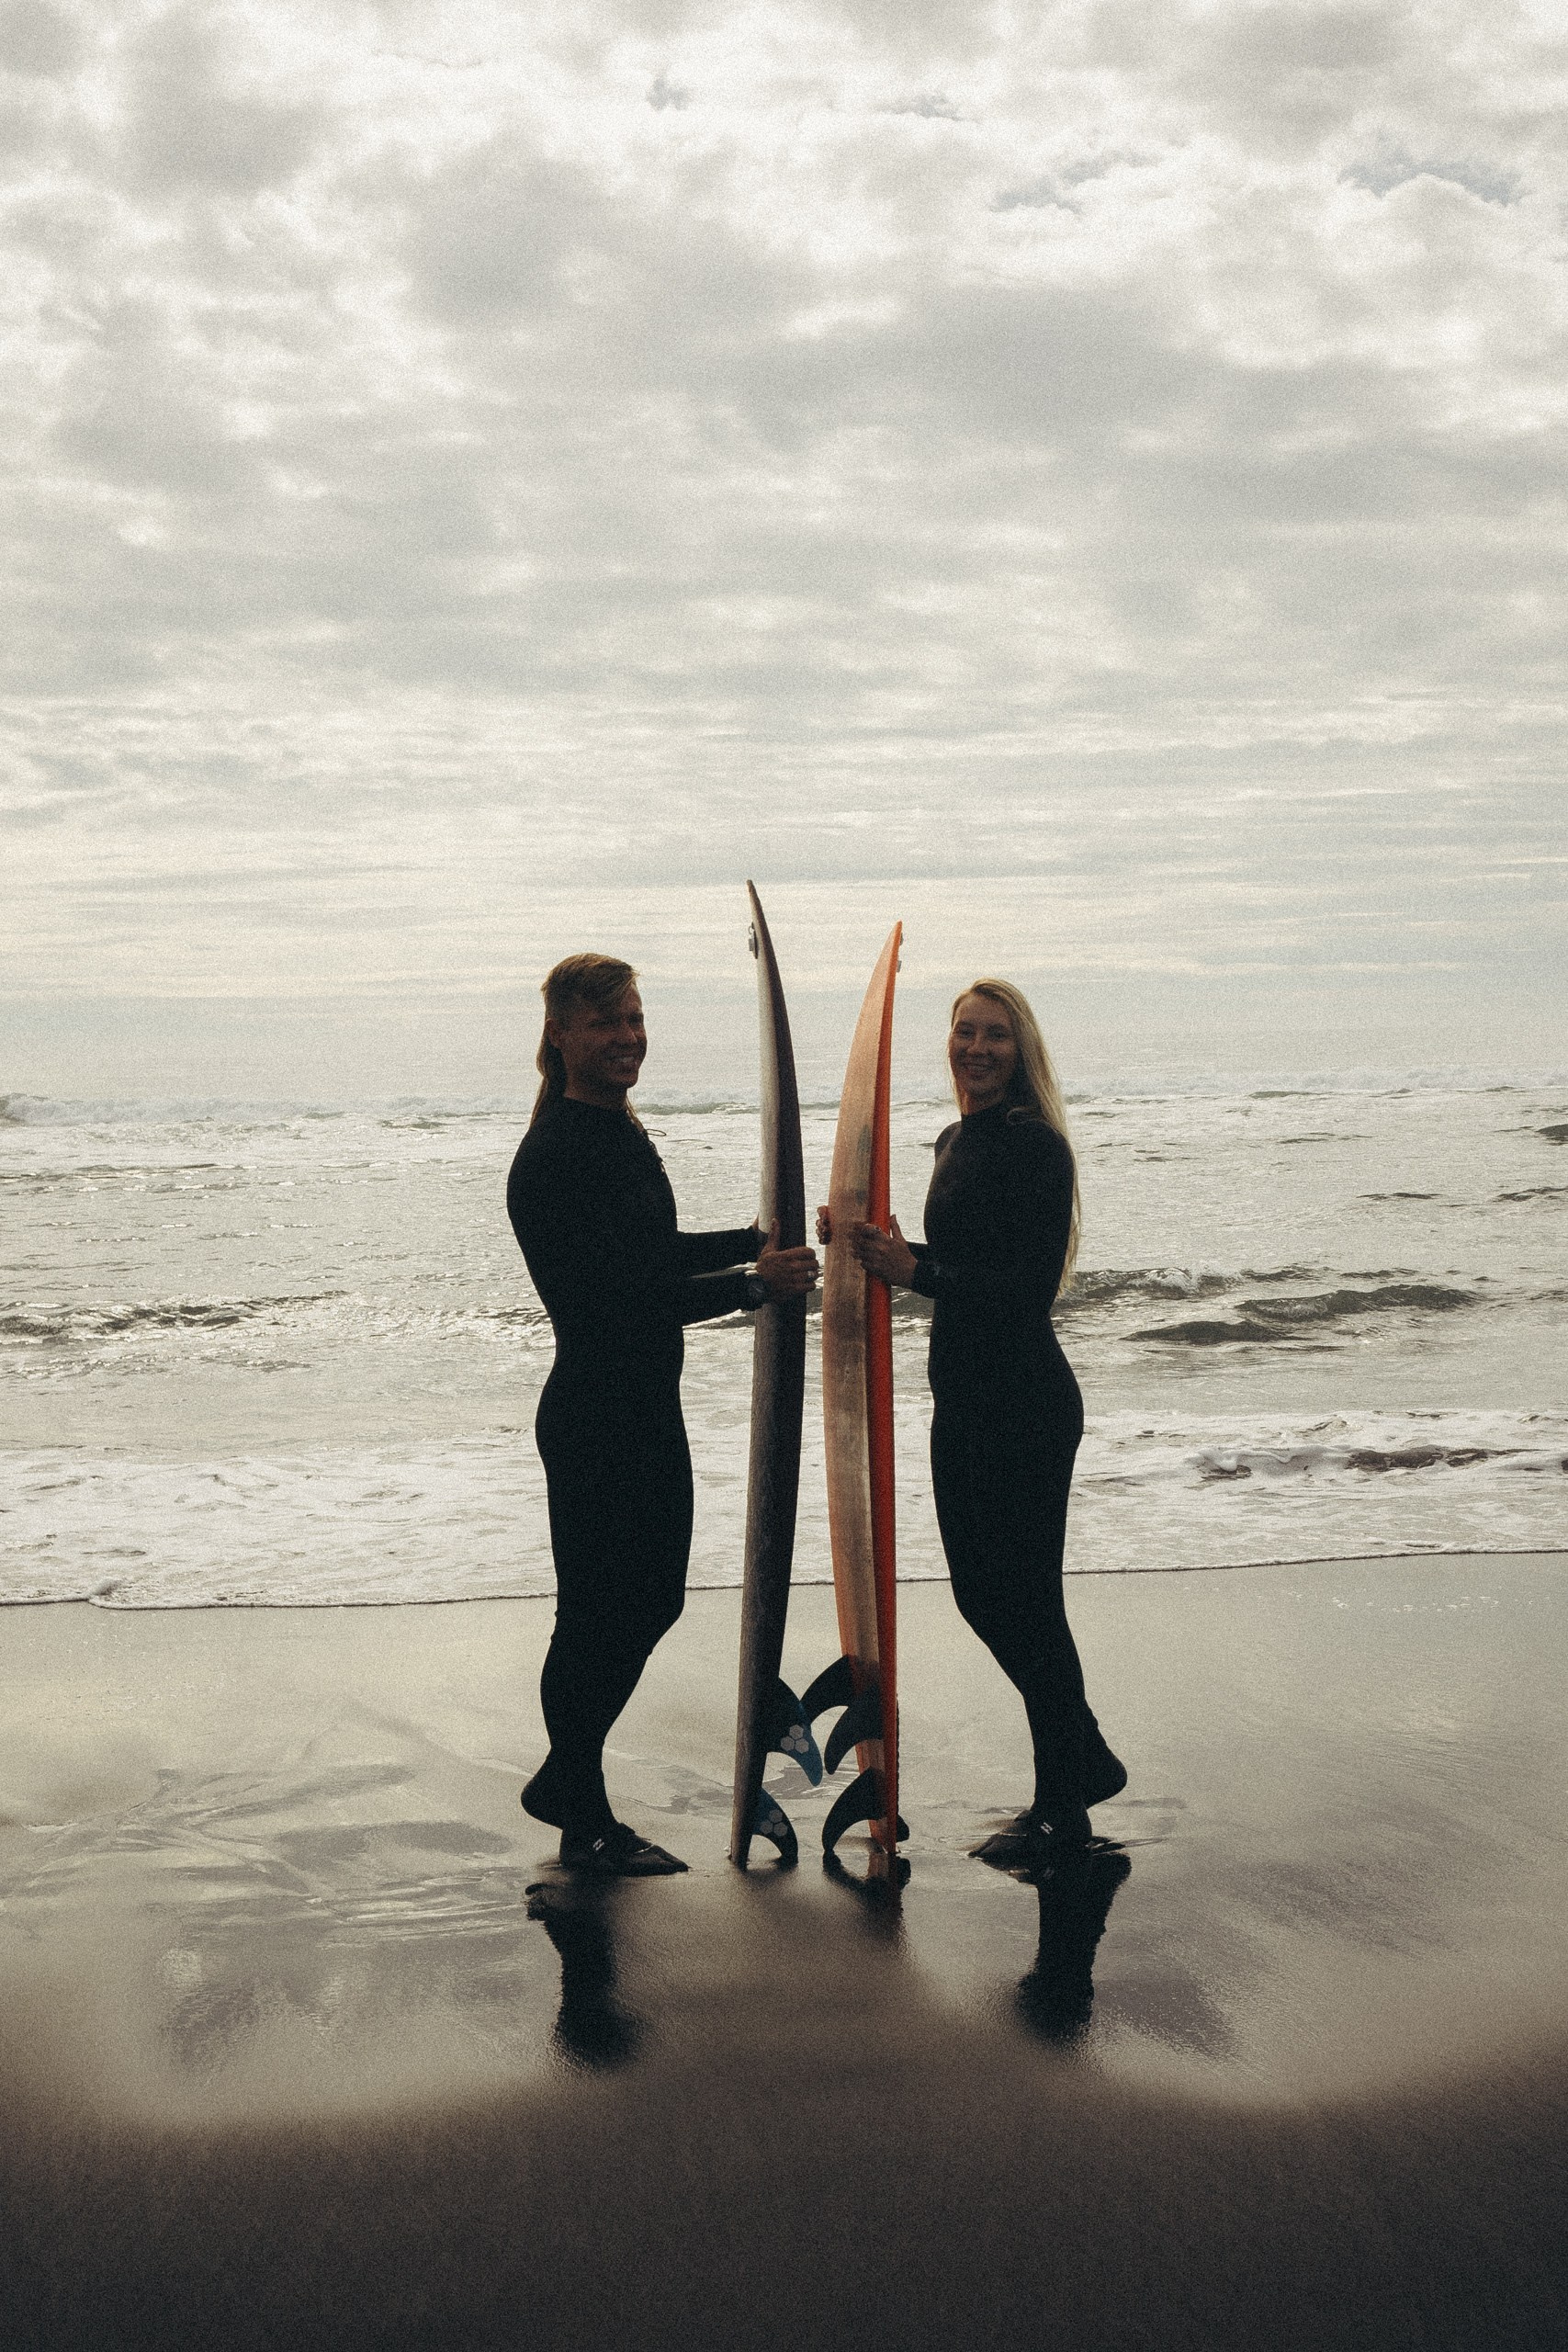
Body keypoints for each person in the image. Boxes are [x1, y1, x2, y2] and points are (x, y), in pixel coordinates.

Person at [508, 954, 818, 1878]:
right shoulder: (561, 1151)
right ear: (560, 1033)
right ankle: (579, 1805)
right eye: (605, 1022)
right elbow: (620, 1297)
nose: (627, 1037)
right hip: (599, 1416)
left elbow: (655, 1252)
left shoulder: (614, 1132)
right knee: (600, 1614)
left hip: (640, 1409)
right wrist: (754, 1284)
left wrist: (752, 1244)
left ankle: (569, 1783)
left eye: (636, 1018)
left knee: (643, 1603)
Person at [821, 978, 1124, 1862]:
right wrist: (862, 1241)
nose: (976, 1049)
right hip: (962, 1396)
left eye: (995, 1036)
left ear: (1019, 1050)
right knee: (985, 1596)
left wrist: (915, 1273)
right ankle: (1080, 1763)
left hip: (1023, 1401)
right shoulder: (956, 1139)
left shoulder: (1036, 1148)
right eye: (964, 1033)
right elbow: (954, 1259)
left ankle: (1066, 1799)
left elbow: (1022, 1290)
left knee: (1024, 1603)